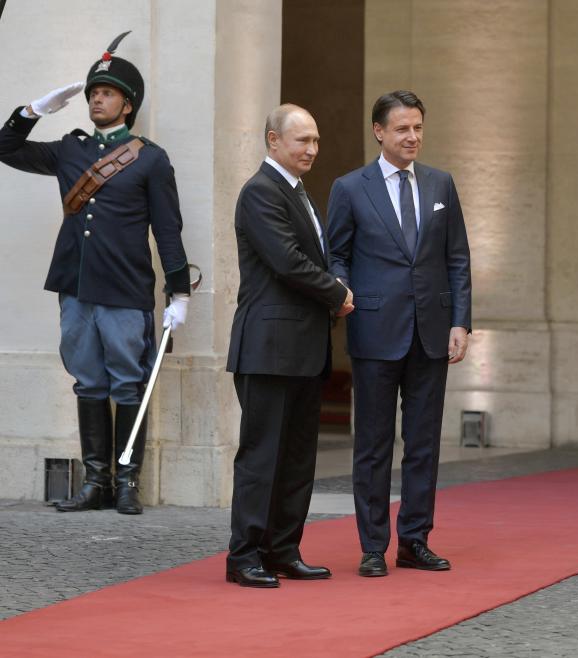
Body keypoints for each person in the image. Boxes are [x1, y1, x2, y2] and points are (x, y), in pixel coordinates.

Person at [0, 32, 191, 515]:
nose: (95, 100)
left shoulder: (149, 157)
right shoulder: (70, 150)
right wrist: (33, 110)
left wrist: (179, 293)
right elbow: (5, 148)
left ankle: (127, 481)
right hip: (76, 286)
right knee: (88, 382)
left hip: (125, 288)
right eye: (92, 93)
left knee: (128, 383)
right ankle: (96, 483)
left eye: (105, 93)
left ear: (127, 105)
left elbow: (168, 230)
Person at [327, 90, 472, 577]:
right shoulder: (350, 188)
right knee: (372, 444)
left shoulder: (440, 185)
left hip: (431, 331)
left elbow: (457, 258)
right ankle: (372, 546)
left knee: (424, 443)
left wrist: (460, 321)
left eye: (418, 128)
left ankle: (414, 540)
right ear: (379, 132)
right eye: (403, 129)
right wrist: (341, 290)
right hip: (373, 329)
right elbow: (337, 254)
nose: (413, 137)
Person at [225, 104, 354, 587]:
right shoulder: (260, 192)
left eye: (316, 141)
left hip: (302, 349)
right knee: (262, 457)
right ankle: (244, 557)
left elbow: (311, 257)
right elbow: (287, 261)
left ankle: (282, 550)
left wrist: (335, 284)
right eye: (302, 140)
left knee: (298, 457)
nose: (312, 149)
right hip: (268, 346)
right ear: (273, 141)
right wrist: (338, 293)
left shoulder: (297, 193)